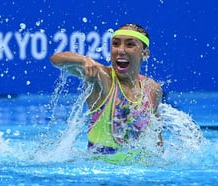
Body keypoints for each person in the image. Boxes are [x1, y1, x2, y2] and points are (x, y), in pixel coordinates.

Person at [50, 23, 163, 163]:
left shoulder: (152, 89)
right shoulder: (104, 79)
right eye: (116, 44)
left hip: (138, 170)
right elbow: (56, 59)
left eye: (130, 45)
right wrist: (84, 60)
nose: (120, 50)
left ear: (144, 54)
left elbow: (157, 135)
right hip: (99, 170)